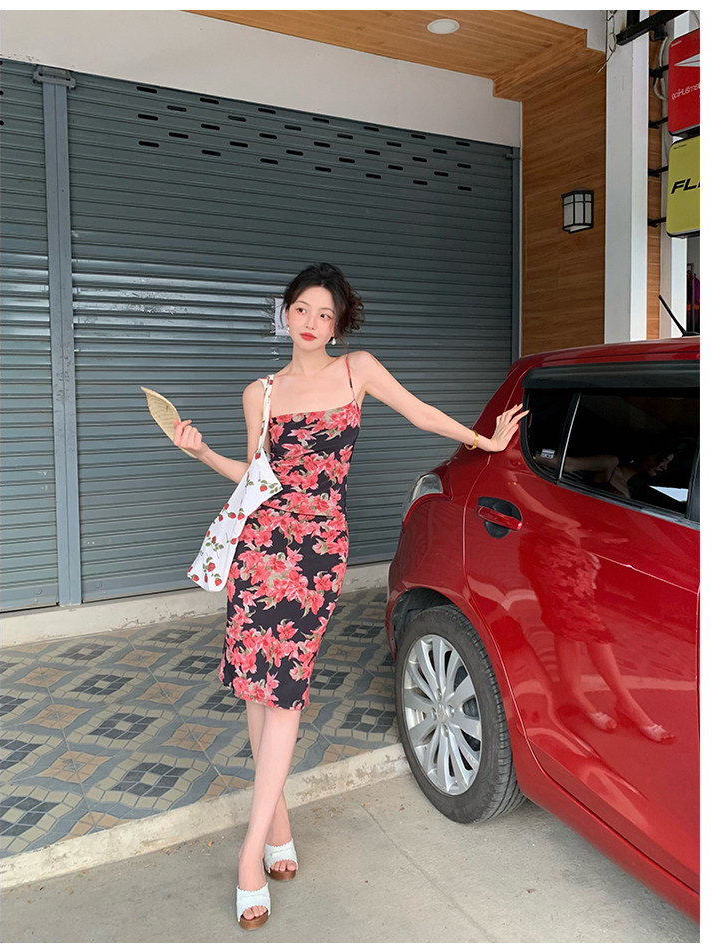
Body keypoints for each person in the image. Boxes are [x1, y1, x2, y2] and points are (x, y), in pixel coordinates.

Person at [172, 263, 527, 930]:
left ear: (338, 324)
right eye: (301, 309)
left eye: (324, 313)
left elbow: (419, 412)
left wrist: (485, 440)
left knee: (284, 690)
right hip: (260, 545)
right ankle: (276, 826)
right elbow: (254, 478)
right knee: (256, 686)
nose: (310, 322)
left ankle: (250, 854)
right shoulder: (260, 393)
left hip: (316, 550)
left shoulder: (355, 371)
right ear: (285, 313)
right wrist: (200, 452)